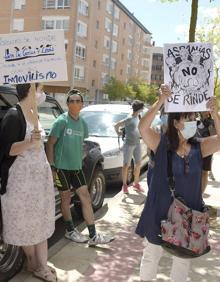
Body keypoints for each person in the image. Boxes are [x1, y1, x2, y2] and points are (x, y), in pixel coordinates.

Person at [136, 84, 220, 282]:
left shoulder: (200, 147)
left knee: (182, 261)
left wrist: (215, 113)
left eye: (194, 118)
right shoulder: (161, 144)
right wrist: (161, 101)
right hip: (160, 212)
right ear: (175, 123)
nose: (193, 121)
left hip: (189, 214)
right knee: (151, 256)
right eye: (188, 118)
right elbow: (142, 128)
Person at [0, 83, 56, 281]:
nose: (42, 93)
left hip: (38, 181)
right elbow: (7, 150)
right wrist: (30, 142)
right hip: (20, 183)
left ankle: (40, 265)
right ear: (30, 90)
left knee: (39, 223)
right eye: (39, 89)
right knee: (24, 225)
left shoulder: (35, 113)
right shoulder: (14, 116)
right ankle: (35, 263)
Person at [46, 89, 114, 246]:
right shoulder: (61, 121)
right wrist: (51, 167)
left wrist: (79, 159)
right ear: (67, 104)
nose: (75, 103)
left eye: (78, 101)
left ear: (82, 104)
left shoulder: (83, 124)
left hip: (76, 168)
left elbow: (81, 143)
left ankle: (93, 235)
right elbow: (50, 144)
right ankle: (70, 231)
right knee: (65, 198)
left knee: (86, 198)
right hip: (61, 168)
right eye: (72, 101)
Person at [114, 100, 144, 194]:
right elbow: (116, 125)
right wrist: (118, 133)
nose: (142, 109)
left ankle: (136, 183)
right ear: (139, 109)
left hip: (137, 143)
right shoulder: (129, 118)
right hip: (128, 144)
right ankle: (124, 185)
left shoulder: (139, 117)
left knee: (138, 163)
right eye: (142, 108)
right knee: (126, 165)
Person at [197, 111, 216, 193]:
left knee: (204, 172)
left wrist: (210, 126)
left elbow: (215, 136)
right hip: (195, 148)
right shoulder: (195, 119)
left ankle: (201, 195)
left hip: (207, 150)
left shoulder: (212, 121)